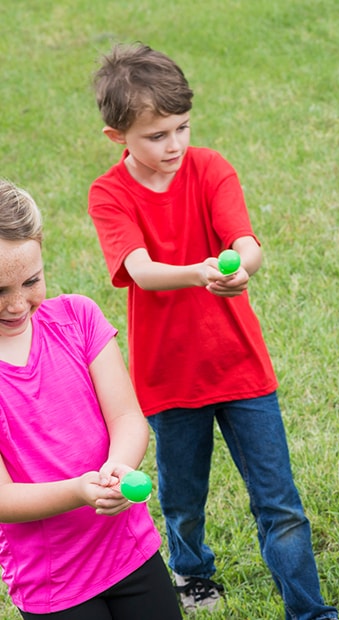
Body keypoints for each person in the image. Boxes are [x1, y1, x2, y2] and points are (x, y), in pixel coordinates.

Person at [87, 44, 338, 620]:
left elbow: (246, 244)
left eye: (182, 129)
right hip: (169, 379)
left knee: (280, 504)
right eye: (156, 136)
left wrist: (240, 268)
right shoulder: (110, 195)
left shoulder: (211, 167)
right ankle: (194, 570)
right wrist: (201, 272)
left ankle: (311, 612)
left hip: (243, 368)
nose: (174, 146)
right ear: (116, 136)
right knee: (182, 498)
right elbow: (142, 272)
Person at [0, 180, 182, 620]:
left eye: (31, 281)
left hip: (129, 549)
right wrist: (81, 491)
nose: (18, 304)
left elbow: (127, 418)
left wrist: (118, 465)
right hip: (54, 581)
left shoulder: (79, 317)